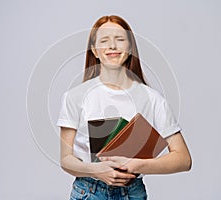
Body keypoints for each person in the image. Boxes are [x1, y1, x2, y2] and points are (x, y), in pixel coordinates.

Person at [57, 15, 192, 200]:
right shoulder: (74, 97)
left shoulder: (152, 99)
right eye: (104, 40)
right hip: (89, 191)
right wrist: (97, 171)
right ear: (95, 50)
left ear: (130, 48)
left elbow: (183, 159)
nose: (112, 46)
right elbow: (66, 159)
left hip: (133, 193)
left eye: (120, 39)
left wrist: (136, 165)